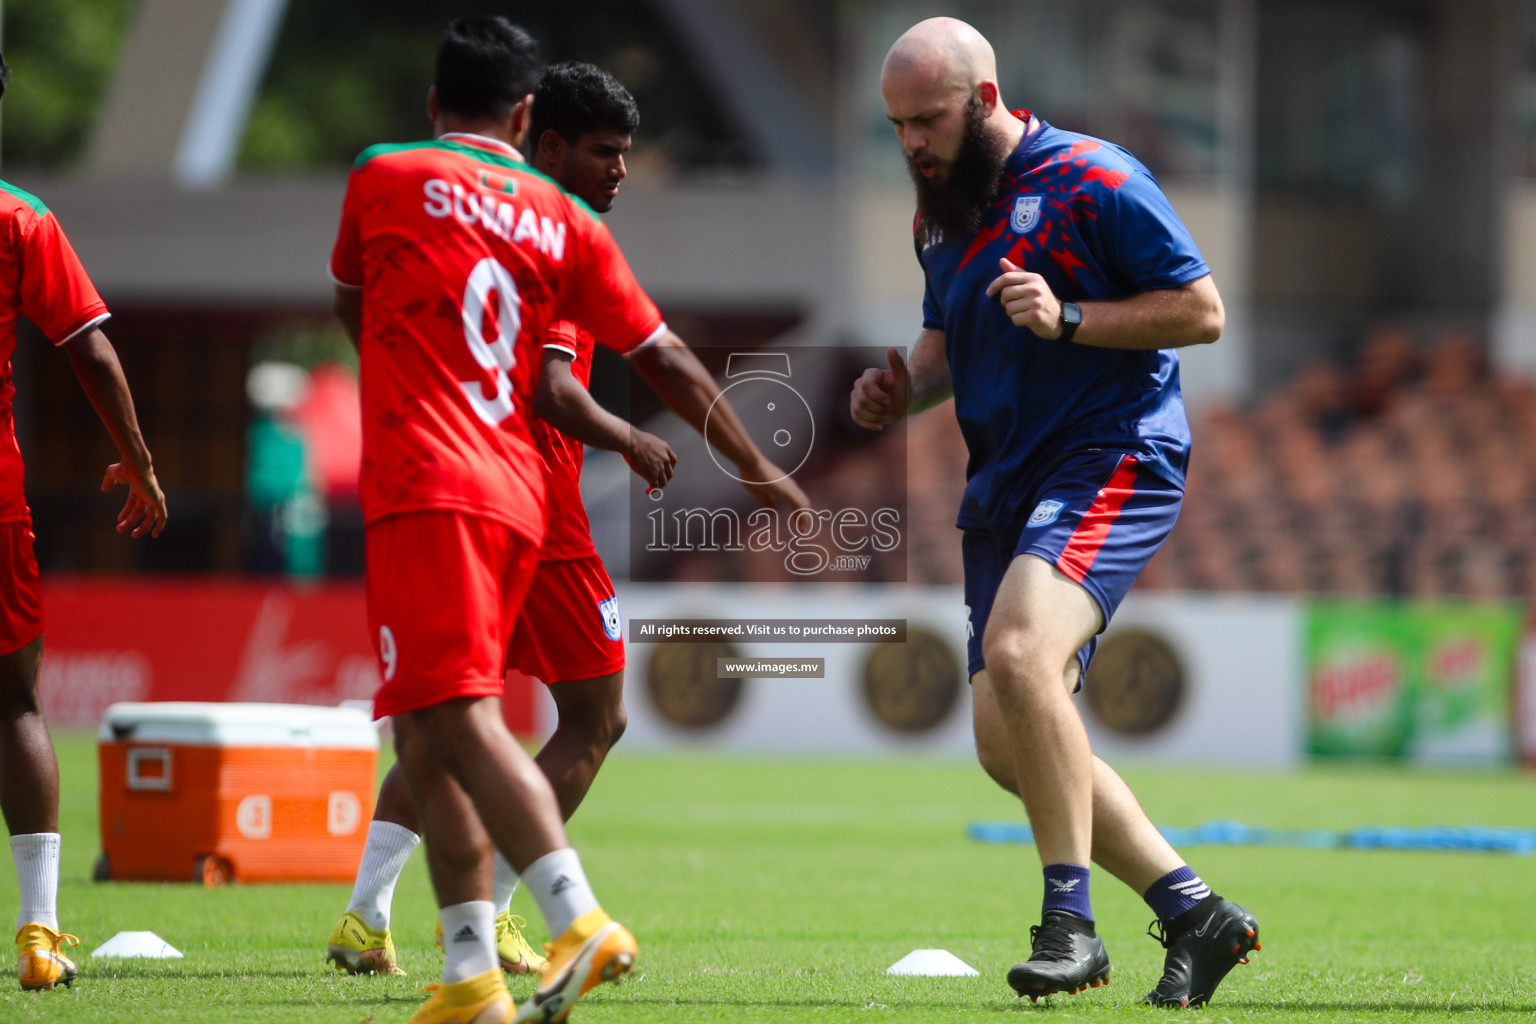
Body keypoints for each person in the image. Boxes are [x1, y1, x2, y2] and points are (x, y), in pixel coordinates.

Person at [326, 61, 807, 980]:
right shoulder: (546, 229)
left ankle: (367, 917)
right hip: (535, 515)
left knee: (441, 714)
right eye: (606, 153)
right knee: (596, 716)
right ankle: (520, 910)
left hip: (454, 499)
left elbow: (364, 305)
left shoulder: (458, 211)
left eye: (626, 154)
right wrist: (638, 436)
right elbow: (553, 385)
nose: (621, 171)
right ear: (541, 138)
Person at [850, 18, 1258, 1009]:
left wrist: (1072, 315)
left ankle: (1069, 926)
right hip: (1005, 486)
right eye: (897, 124)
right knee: (1006, 742)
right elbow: (945, 338)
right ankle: (1196, 910)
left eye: (928, 121)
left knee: (1026, 654)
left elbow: (1201, 309)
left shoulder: (1098, 179)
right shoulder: (936, 213)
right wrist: (899, 390)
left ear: (985, 101)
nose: (911, 143)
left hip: (1111, 451)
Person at [0, 53, 167, 993]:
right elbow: (90, 351)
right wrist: (140, 464)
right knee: (15, 705)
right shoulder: (21, 215)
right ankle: (37, 933)